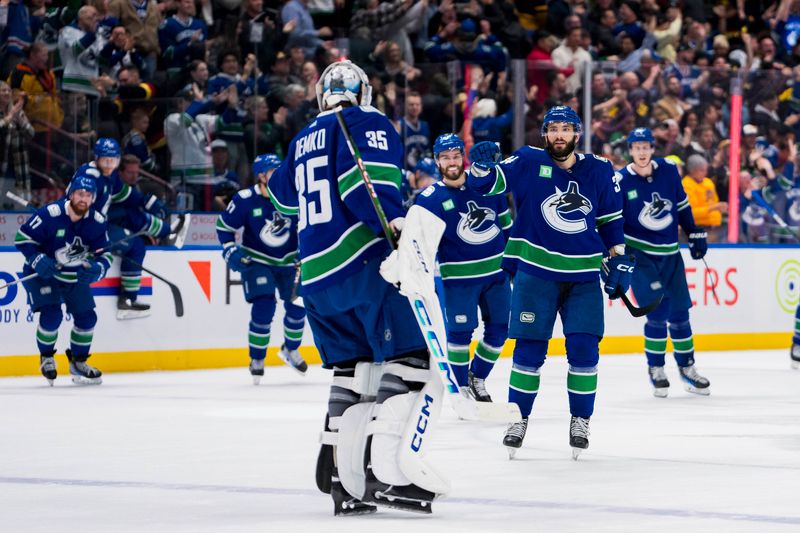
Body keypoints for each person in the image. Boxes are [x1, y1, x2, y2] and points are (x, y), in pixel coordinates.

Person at [266, 60, 445, 514]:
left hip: (317, 277)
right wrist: (396, 229)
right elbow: (366, 184)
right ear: (362, 91)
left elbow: (283, 198)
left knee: (354, 369)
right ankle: (388, 474)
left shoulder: (303, 135)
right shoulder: (366, 121)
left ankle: (340, 477)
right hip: (363, 263)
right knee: (411, 355)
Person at [467, 105, 632, 460]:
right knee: (527, 353)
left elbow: (610, 220)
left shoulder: (601, 169)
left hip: (584, 277)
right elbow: (485, 184)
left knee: (585, 353)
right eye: (552, 128)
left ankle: (580, 420)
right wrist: (479, 165)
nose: (559, 135)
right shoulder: (527, 161)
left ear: (577, 134)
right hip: (535, 275)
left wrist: (618, 256)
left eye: (565, 128)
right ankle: (517, 419)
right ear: (545, 134)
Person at [405, 133, 512, 401]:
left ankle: (478, 377)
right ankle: (461, 386)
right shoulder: (429, 199)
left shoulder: (488, 184)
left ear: (462, 157)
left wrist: (516, 265)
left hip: (497, 275)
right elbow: (423, 246)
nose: (451, 162)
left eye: (455, 156)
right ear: (437, 160)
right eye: (445, 157)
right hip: (459, 280)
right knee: (460, 334)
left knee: (501, 331)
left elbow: (508, 227)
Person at [616, 127, 711, 397]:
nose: (642, 151)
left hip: (670, 253)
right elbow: (611, 219)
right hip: (639, 255)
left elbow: (681, 205)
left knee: (681, 313)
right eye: (637, 147)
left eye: (646, 146)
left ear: (652, 148)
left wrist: (693, 232)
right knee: (657, 311)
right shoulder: (621, 180)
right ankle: (656, 368)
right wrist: (610, 252)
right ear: (631, 150)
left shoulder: (669, 171)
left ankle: (687, 368)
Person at [215, 153, 308, 382]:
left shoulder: (293, 196)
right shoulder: (245, 199)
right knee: (264, 307)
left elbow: (308, 225)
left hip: (289, 261)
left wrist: (305, 250)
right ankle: (257, 357)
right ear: (260, 176)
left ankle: (290, 349)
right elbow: (223, 226)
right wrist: (229, 249)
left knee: (298, 306)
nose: (278, 175)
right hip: (257, 261)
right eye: (272, 172)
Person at [14, 175, 112, 385]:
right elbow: (22, 238)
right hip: (42, 273)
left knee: (87, 318)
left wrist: (98, 269)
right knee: (52, 315)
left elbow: (106, 254)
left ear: (93, 198)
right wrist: (37, 258)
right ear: (71, 194)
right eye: (79, 194)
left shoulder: (97, 222)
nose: (83, 199)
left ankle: (78, 362)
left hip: (74, 275)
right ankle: (47, 357)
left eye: (87, 195)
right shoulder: (50, 214)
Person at [73, 139, 189, 316]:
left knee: (134, 234)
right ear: (97, 158)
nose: (109, 164)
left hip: (98, 229)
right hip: (87, 234)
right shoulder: (89, 178)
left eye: (113, 160)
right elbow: (77, 208)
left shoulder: (109, 175)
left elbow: (123, 193)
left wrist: (145, 201)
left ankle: (128, 299)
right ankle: (127, 298)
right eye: (105, 160)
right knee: (135, 244)